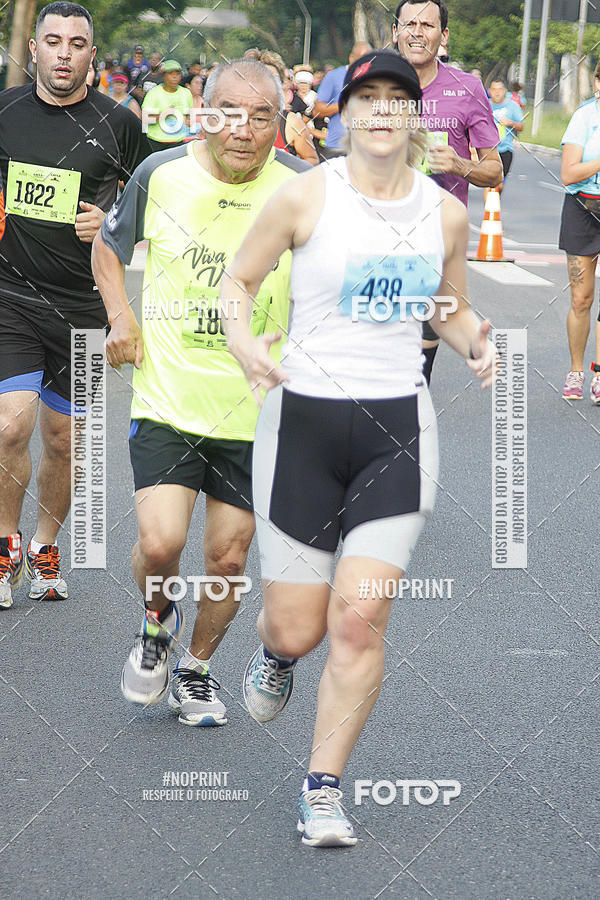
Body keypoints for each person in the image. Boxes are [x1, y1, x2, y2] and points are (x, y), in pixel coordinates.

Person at [220, 49, 497, 847]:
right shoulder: (305, 196)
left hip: (396, 430)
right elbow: (237, 283)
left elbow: (447, 304)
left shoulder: (442, 215)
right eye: (366, 98)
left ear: (415, 116)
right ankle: (275, 653)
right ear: (344, 114)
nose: (381, 111)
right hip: (302, 425)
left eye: (396, 99)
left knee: (360, 620)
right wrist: (243, 345)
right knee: (300, 628)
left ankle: (323, 788)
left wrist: (474, 339)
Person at [91, 60, 309, 723]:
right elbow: (107, 248)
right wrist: (121, 317)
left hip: (258, 407)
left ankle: (196, 666)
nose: (242, 129)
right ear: (202, 113)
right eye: (228, 113)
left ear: (280, 121)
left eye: (260, 116)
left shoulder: (302, 189)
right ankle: (157, 622)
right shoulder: (162, 175)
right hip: (169, 395)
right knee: (159, 544)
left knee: (227, 554)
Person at [0, 1, 150, 610]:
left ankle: (46, 545)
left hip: (85, 308)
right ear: (33, 49)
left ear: (93, 55)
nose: (63, 52)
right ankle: (5, 544)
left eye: (77, 43)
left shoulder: (118, 123)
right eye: (52, 40)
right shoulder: (5, 112)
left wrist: (113, 223)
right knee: (11, 422)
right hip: (10, 296)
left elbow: (157, 204)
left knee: (64, 440)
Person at [393, 0, 502, 383]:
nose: (417, 32)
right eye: (410, 24)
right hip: (376, 235)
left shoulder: (467, 88)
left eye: (427, 25)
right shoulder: (374, 83)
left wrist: (457, 164)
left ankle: (408, 420)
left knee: (417, 362)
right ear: (396, 32)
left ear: (443, 36)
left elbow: (493, 170)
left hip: (435, 239)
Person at [559, 60, 600, 404]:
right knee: (581, 298)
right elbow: (569, 174)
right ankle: (576, 370)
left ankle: (599, 372)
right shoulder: (584, 118)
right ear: (597, 82)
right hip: (583, 209)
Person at [311, 42, 373, 159]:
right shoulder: (334, 77)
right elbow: (317, 111)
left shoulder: (377, 79)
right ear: (351, 58)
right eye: (360, 59)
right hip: (337, 147)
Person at [256, 51, 319, 165]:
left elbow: (312, 160)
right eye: (261, 79)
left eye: (274, 80)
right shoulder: (235, 119)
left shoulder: (290, 122)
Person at [142, 60, 192, 151]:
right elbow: (145, 119)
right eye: (171, 74)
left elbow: (189, 117)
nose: (174, 77)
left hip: (178, 142)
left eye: (177, 74)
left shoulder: (186, 93)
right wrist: (163, 115)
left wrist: (188, 122)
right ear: (164, 76)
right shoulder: (153, 93)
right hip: (156, 142)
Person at [488, 78, 523, 192]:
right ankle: (489, 208)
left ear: (505, 91)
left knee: (499, 184)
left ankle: (493, 206)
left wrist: (510, 123)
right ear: (489, 91)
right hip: (487, 150)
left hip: (505, 149)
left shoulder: (512, 106)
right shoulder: (484, 105)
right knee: (489, 183)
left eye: (500, 89)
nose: (497, 92)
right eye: (494, 89)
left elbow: (521, 126)